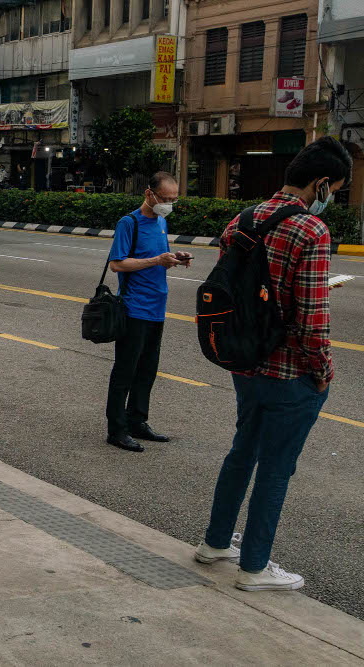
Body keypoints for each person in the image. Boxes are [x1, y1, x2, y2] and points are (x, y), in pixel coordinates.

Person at [194, 137, 351, 591]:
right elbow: (312, 320)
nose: (332, 199)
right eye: (335, 190)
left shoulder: (243, 219)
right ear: (322, 183)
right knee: (277, 467)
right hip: (289, 372)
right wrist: (322, 372)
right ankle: (254, 568)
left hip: (245, 363)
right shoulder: (311, 230)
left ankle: (215, 543)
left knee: (243, 451)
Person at [105, 172, 193, 453]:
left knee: (147, 370)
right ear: (149, 194)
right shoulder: (128, 223)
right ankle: (116, 430)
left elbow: (158, 259)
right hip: (134, 308)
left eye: (174, 199)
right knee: (125, 371)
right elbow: (117, 264)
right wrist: (156, 260)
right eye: (165, 198)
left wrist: (175, 258)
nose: (169, 204)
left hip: (157, 308)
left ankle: (137, 421)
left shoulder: (162, 222)